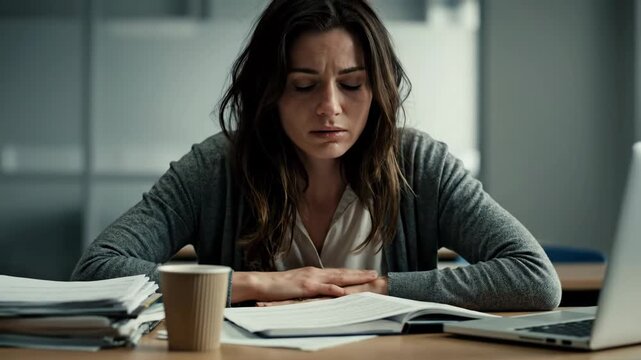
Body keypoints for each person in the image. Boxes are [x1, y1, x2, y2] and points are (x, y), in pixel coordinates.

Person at [71, 0, 561, 310]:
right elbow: (97, 269)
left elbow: (534, 279)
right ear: (268, 92)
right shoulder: (216, 167)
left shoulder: (420, 164)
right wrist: (260, 285)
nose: (330, 107)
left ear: (379, 90)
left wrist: (384, 290)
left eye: (352, 84)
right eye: (304, 85)